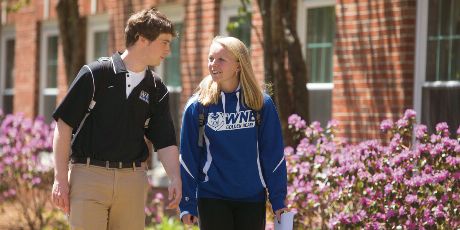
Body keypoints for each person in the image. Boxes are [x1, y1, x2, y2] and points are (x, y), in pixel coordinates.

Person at [51, 7, 181, 230]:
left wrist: (175, 178)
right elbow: (64, 126)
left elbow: (165, 140)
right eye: (164, 42)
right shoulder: (96, 74)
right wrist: (60, 179)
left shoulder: (157, 88)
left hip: (132, 180)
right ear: (142, 39)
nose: (168, 50)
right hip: (88, 176)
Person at [179, 36, 287, 230]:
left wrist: (278, 200)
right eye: (211, 58)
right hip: (212, 196)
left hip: (252, 197)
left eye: (221, 59)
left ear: (239, 65)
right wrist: (187, 203)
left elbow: (273, 154)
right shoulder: (198, 106)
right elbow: (188, 157)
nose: (213, 64)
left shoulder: (261, 105)